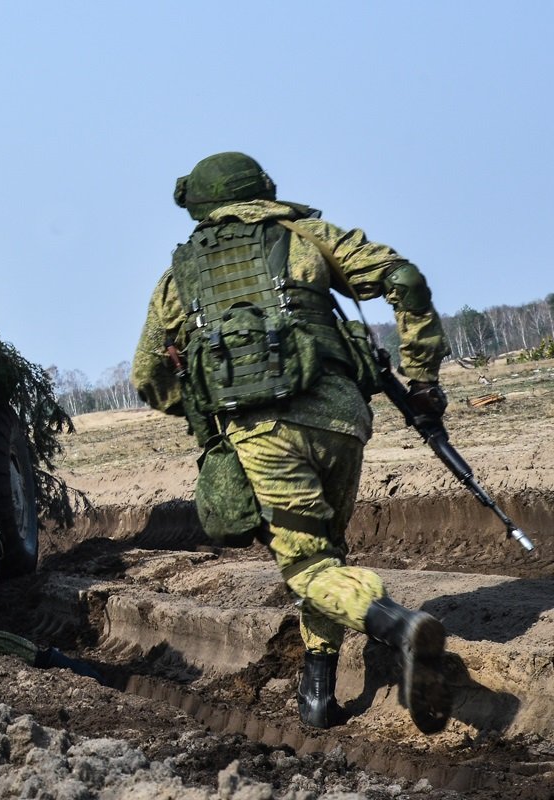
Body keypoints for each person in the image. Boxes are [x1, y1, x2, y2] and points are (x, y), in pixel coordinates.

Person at [131, 152, 453, 733]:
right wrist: (423, 377)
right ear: (262, 190)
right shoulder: (307, 235)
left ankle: (397, 625)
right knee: (327, 552)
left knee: (308, 565)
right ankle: (318, 693)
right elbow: (402, 279)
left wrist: (210, 404)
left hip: (262, 434)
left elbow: (148, 375)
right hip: (342, 420)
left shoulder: (179, 277)